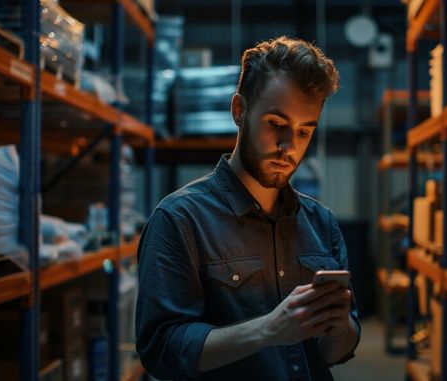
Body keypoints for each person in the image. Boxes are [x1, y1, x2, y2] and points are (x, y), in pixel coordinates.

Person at [136, 36, 360, 381]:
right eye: (276, 124)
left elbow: (335, 352)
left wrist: (338, 325)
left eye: (304, 131)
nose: (290, 147)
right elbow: (161, 348)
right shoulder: (179, 220)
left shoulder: (321, 223)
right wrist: (268, 329)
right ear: (239, 110)